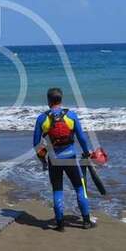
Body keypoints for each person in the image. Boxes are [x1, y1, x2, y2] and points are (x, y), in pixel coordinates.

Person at [33, 87, 93, 231]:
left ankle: (60, 225)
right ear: (61, 100)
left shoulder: (42, 119)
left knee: (57, 190)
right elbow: (82, 138)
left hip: (54, 160)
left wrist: (43, 160)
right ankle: (86, 221)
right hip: (70, 157)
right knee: (79, 188)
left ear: (48, 101)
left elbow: (36, 144)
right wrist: (86, 153)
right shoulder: (71, 116)